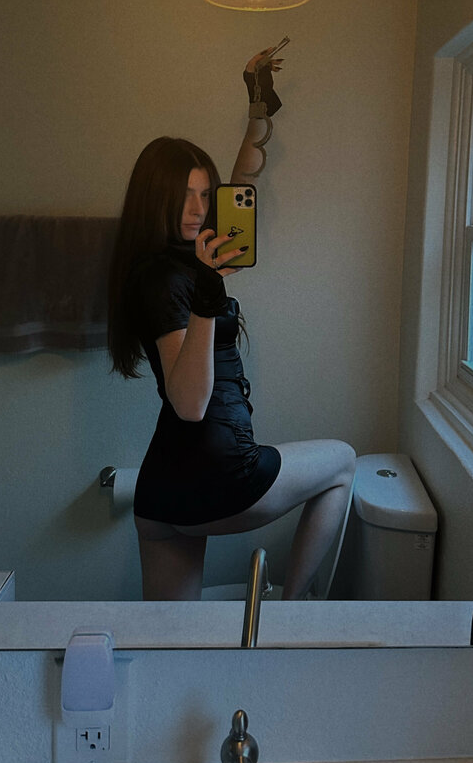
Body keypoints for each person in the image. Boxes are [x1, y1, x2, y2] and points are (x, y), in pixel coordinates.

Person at [108, 48, 355, 601]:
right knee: (342, 461)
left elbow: (244, 179)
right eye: (183, 196)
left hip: (161, 491)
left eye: (204, 194)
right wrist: (206, 297)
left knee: (173, 641)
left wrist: (256, 105)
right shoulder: (169, 279)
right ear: (155, 199)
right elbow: (190, 403)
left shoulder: (171, 262)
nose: (199, 209)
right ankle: (291, 609)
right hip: (220, 473)